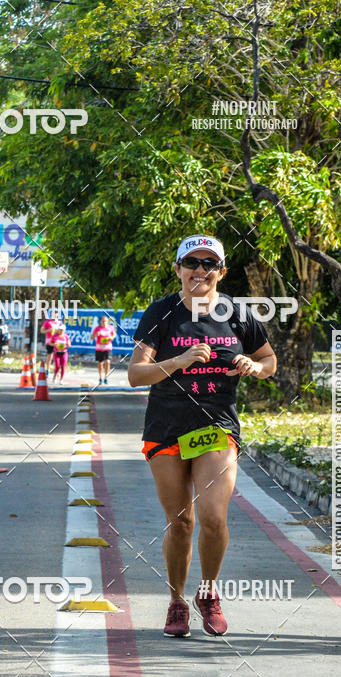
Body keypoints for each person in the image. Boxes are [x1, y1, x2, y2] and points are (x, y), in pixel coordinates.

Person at [128, 235, 277, 638]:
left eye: (209, 264)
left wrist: (253, 365)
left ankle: (208, 593)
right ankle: (177, 601)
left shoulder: (239, 314)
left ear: (221, 272)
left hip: (216, 428)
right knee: (181, 522)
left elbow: (269, 360)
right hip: (167, 430)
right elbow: (135, 375)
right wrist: (178, 360)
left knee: (213, 517)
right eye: (191, 262)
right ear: (177, 269)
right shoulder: (162, 312)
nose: (200, 271)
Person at [91, 315, 116, 385]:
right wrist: (96, 334)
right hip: (99, 348)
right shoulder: (97, 328)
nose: (104, 323)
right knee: (100, 363)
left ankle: (106, 377)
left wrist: (111, 337)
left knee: (108, 362)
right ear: (100, 322)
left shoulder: (110, 328)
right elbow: (91, 338)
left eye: (105, 321)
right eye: (103, 321)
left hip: (107, 347)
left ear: (107, 322)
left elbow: (114, 334)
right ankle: (100, 377)